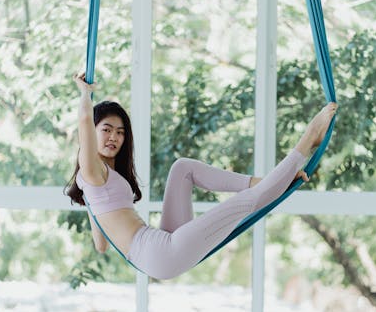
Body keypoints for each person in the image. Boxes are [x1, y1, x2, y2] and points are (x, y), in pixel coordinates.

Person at [65, 72, 337, 280]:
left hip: (159, 247)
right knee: (248, 203)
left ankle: (267, 181)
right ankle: (309, 138)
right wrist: (84, 95)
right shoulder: (92, 170)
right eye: (107, 129)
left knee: (182, 168)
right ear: (94, 132)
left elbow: (101, 244)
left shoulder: (95, 184)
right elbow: (84, 123)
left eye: (121, 131)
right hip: (159, 253)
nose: (114, 136)